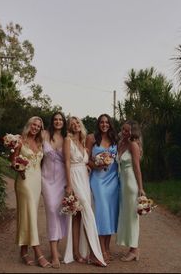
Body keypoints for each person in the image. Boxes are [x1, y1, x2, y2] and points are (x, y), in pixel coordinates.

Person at [63, 116, 106, 267]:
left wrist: (93, 165)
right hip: (74, 179)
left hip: (84, 179)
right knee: (88, 212)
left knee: (78, 217)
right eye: (72, 123)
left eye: (77, 122)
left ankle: (77, 253)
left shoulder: (82, 142)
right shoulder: (67, 141)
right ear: (69, 128)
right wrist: (69, 185)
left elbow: (85, 162)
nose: (75, 125)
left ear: (80, 125)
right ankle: (95, 254)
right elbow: (67, 163)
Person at [11, 116, 51, 268]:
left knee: (29, 215)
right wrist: (18, 168)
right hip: (24, 181)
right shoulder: (19, 140)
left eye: (38, 126)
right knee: (31, 215)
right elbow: (13, 161)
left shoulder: (40, 142)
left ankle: (23, 251)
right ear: (29, 125)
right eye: (33, 125)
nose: (35, 128)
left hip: (37, 181)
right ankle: (38, 252)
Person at [86, 114, 119, 264]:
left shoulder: (115, 139)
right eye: (101, 122)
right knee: (102, 212)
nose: (104, 124)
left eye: (107, 122)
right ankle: (100, 249)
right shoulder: (92, 138)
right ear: (98, 124)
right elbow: (86, 159)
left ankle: (107, 247)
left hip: (113, 181)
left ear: (110, 124)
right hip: (98, 180)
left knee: (111, 214)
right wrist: (97, 165)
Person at [116, 120, 146, 262]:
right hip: (122, 183)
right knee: (126, 216)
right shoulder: (121, 143)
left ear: (133, 132)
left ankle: (134, 250)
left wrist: (140, 188)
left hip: (131, 184)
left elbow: (137, 168)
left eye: (128, 130)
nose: (124, 132)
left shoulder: (133, 145)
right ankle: (131, 247)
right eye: (123, 129)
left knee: (133, 217)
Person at [41, 111, 68, 269]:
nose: (58, 122)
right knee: (51, 210)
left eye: (61, 119)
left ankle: (55, 250)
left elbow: (72, 159)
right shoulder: (44, 134)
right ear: (52, 121)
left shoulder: (66, 139)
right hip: (46, 178)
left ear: (63, 122)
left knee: (58, 212)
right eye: (55, 119)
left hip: (62, 180)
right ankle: (54, 252)